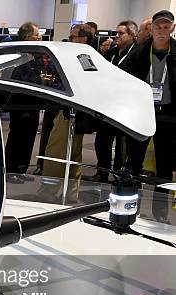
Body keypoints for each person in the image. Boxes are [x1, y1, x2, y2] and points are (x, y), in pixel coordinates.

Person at [123, 10, 176, 221]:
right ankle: (130, 205)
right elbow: (124, 80)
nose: (162, 31)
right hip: (142, 115)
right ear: (151, 29)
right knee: (133, 162)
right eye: (158, 27)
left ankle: (160, 212)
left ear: (172, 28)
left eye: (166, 27)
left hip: (169, 118)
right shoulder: (138, 53)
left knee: (164, 166)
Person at [41, 24, 96, 200]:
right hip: (75, 113)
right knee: (73, 155)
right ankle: (71, 194)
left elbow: (79, 83)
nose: (70, 40)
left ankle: (47, 192)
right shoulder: (88, 56)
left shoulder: (83, 57)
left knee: (55, 153)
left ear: (83, 39)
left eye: (73, 37)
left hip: (70, 113)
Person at [89, 20, 138, 182]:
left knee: (122, 144)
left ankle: (119, 173)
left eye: (121, 33)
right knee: (102, 140)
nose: (117, 36)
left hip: (125, 105)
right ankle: (102, 172)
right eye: (116, 33)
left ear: (132, 35)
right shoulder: (111, 53)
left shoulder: (136, 54)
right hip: (107, 104)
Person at [3, 22, 43, 178]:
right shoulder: (19, 55)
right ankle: (14, 170)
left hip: (31, 104)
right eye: (36, 35)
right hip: (21, 104)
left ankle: (20, 169)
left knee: (27, 138)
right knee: (19, 138)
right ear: (27, 37)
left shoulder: (34, 55)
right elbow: (19, 78)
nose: (39, 37)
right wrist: (38, 79)